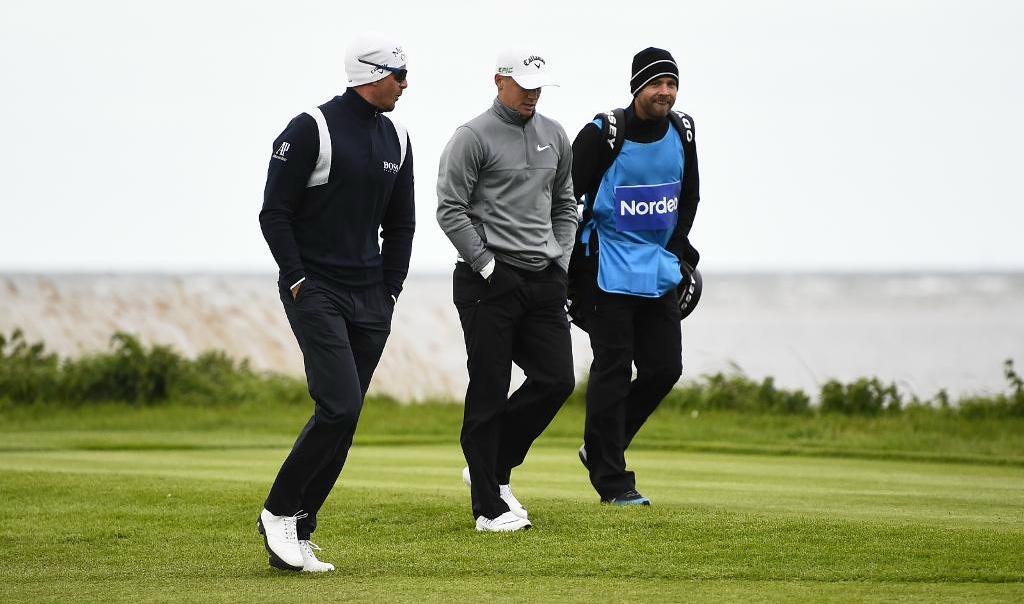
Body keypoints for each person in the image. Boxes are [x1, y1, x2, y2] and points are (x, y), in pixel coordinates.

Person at [256, 33, 414, 571]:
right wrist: (297, 278)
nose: (405, 84)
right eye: (398, 75)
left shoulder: (397, 136)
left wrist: (390, 290)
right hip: (316, 289)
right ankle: (278, 510)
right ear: (370, 75)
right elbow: (273, 212)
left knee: (346, 418)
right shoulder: (311, 128)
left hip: (372, 296)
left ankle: (301, 528)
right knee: (339, 405)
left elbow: (401, 222)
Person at [436, 49, 577, 532]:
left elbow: (564, 202)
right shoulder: (471, 137)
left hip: (542, 279)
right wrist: (489, 266)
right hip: (487, 282)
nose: (531, 94)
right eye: (522, 85)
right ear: (499, 81)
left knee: (556, 380)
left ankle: (492, 467)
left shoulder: (554, 134)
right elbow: (450, 209)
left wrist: (560, 260)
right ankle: (487, 507)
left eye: (538, 86)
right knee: (490, 388)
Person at [569, 47, 700, 506]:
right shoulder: (603, 133)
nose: (664, 92)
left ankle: (601, 446)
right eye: (655, 83)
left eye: (671, 83)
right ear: (636, 86)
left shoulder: (683, 130)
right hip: (603, 270)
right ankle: (613, 481)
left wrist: (680, 254)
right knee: (613, 367)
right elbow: (564, 202)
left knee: (665, 368)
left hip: (658, 270)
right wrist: (568, 276)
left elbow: (689, 197)